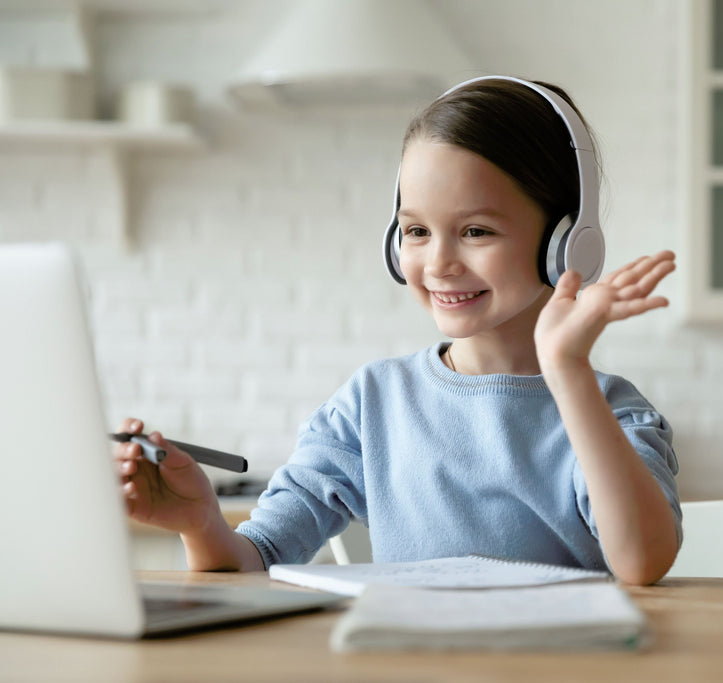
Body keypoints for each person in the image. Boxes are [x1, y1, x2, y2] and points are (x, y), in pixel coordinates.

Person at [115, 76, 682, 585]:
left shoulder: (613, 412)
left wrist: (567, 369)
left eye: (476, 230)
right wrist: (200, 523)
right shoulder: (371, 405)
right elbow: (257, 556)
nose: (438, 263)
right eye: (415, 230)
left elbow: (641, 562)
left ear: (566, 242)